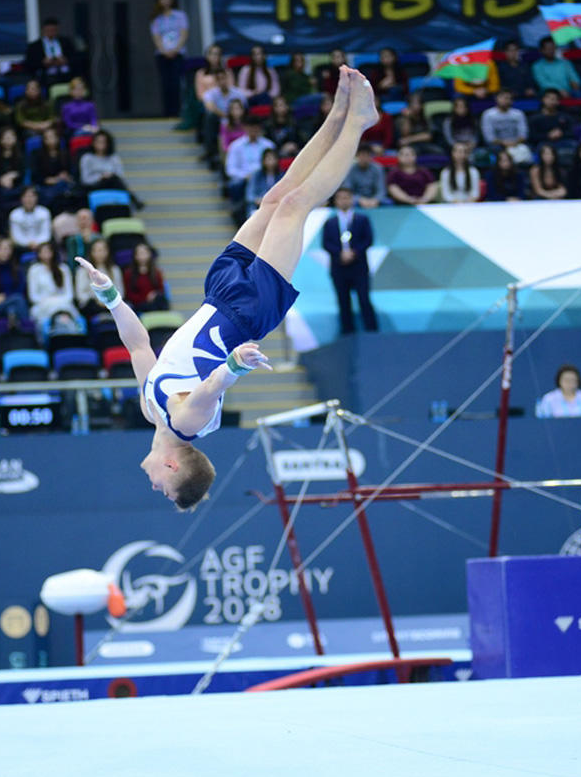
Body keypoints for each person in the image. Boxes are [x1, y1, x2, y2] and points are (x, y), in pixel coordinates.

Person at [77, 65, 378, 510]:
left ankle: (336, 114)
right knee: (296, 206)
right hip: (247, 313)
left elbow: (139, 347)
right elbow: (211, 388)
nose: (154, 485)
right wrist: (236, 364)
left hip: (217, 294)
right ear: (174, 467)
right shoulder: (187, 425)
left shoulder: (150, 410)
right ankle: (358, 123)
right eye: (163, 487)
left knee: (274, 199)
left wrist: (111, 297)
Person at [321, 186, 376, 335]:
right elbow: (326, 243)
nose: (344, 200)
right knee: (343, 302)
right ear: (336, 201)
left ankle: (372, 332)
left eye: (347, 197)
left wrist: (354, 252)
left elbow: (368, 239)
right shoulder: (330, 222)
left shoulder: (362, 219)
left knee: (364, 300)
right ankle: (347, 334)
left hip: (359, 266)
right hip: (339, 267)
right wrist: (340, 254)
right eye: (340, 198)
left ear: (352, 199)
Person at [225, 114, 275, 217]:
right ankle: (239, 207)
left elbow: (274, 163)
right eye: (250, 127)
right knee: (235, 184)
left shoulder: (268, 145)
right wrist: (246, 176)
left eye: (255, 127)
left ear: (260, 128)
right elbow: (230, 169)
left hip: (264, 177)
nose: (253, 130)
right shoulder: (236, 146)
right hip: (244, 178)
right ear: (245, 127)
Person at [79, 130, 142, 207]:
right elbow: (85, 179)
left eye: (103, 142)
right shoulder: (87, 158)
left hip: (112, 183)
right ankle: (133, 199)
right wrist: (100, 176)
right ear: (93, 143)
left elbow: (120, 176)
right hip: (95, 185)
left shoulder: (114, 158)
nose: (101, 144)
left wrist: (109, 175)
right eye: (98, 141)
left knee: (114, 180)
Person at [150, 0, 189, 116]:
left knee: (176, 82)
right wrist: (164, 51)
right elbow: (156, 37)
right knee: (165, 83)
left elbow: (184, 33)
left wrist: (175, 50)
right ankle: (168, 112)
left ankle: (178, 111)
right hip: (162, 55)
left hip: (178, 53)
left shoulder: (180, 15)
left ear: (172, 0)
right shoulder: (156, 18)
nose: (165, 1)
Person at [26, 240, 75, 325]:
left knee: (67, 315)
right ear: (38, 254)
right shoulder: (34, 270)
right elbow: (33, 296)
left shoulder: (63, 269)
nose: (46, 253)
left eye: (48, 251)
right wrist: (49, 302)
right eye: (43, 251)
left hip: (63, 304)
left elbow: (69, 294)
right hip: (42, 306)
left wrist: (58, 301)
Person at [73, 236, 120, 318]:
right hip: (91, 304)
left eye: (102, 250)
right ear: (91, 252)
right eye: (97, 250)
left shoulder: (114, 269)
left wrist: (108, 301)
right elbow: (81, 295)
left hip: (111, 303)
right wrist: (98, 300)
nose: (100, 254)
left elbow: (120, 291)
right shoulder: (82, 270)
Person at [0, 237, 28, 323]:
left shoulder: (17, 269)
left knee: (13, 308)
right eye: (2, 249)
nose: (5, 252)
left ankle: (13, 324)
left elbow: (21, 289)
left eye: (7, 249)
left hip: (15, 301)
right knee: (18, 301)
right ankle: (27, 329)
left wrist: (5, 295)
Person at [480, 90, 531, 164]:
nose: (506, 100)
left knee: (525, 150)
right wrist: (504, 143)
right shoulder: (488, 114)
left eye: (509, 98)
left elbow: (523, 134)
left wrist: (514, 143)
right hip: (497, 146)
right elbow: (489, 138)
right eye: (503, 98)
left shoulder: (518, 114)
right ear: (496, 98)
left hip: (516, 144)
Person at [31, 126, 75, 206]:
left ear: (58, 138)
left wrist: (67, 176)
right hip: (45, 186)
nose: (51, 140)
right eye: (47, 138)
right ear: (43, 140)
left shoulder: (65, 154)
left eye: (53, 137)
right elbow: (35, 175)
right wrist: (48, 180)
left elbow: (71, 171)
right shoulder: (37, 154)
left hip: (63, 184)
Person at [123, 242, 170, 313]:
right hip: (138, 304)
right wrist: (145, 298)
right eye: (140, 253)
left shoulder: (156, 272)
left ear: (149, 254)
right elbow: (128, 294)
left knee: (160, 301)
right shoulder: (129, 273)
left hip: (154, 303)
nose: (142, 256)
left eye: (144, 253)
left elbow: (161, 290)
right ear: (135, 256)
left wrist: (155, 294)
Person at [26, 17, 75, 85]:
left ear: (57, 30)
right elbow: (29, 64)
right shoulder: (35, 46)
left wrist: (66, 60)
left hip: (66, 75)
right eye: (48, 30)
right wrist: (43, 63)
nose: (51, 33)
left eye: (54, 30)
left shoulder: (66, 42)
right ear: (43, 30)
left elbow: (75, 57)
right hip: (45, 77)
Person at [343, 144, 387, 209]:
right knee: (345, 201)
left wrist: (375, 200)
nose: (365, 158)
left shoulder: (378, 168)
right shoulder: (350, 169)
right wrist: (359, 199)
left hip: (374, 200)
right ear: (357, 156)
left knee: (388, 203)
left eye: (368, 155)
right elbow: (347, 190)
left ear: (371, 156)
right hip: (356, 200)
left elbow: (381, 190)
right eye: (363, 155)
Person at [9, 186, 52, 251]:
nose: (29, 199)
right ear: (21, 198)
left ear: (37, 198)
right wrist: (28, 243)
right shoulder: (15, 214)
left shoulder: (44, 212)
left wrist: (37, 243)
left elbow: (46, 233)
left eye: (32, 196)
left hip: (42, 245)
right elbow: (16, 235)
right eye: (26, 196)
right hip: (21, 247)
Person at [246, 148, 282, 218]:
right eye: (268, 159)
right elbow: (249, 195)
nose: (271, 161)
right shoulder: (256, 175)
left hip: (276, 207)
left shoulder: (282, 175)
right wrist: (258, 200)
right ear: (263, 161)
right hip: (259, 206)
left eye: (273, 158)